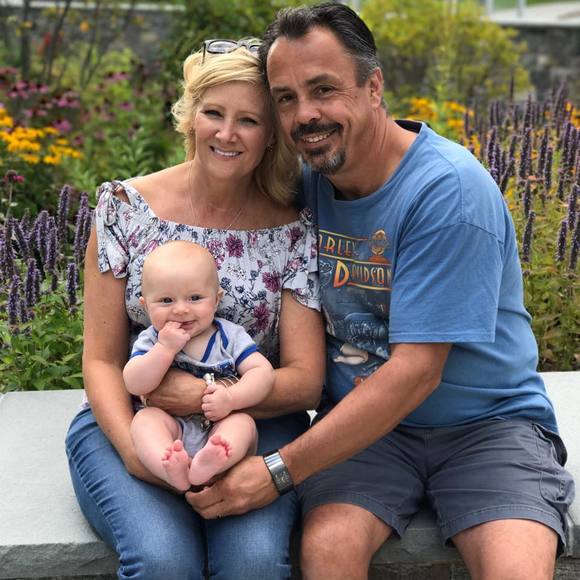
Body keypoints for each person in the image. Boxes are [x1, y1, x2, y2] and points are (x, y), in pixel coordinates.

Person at [187, 4, 575, 580]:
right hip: (365, 435)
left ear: (374, 87)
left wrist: (276, 471)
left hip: (488, 428)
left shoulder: (447, 192)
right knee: (327, 551)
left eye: (324, 89)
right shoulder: (306, 182)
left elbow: (416, 372)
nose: (305, 114)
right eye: (286, 98)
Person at [65, 41, 325, 580]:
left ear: (271, 133)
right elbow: (101, 360)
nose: (227, 134)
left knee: (253, 562)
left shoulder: (292, 229)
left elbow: (305, 382)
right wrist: (135, 453)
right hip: (136, 421)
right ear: (190, 116)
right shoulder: (125, 210)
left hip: (255, 424)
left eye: (248, 120)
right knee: (163, 560)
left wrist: (207, 396)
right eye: (213, 113)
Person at [124, 240, 275, 490]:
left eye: (194, 298)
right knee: (144, 421)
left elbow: (262, 372)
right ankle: (170, 467)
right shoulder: (152, 339)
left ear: (216, 300)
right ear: (146, 306)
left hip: (220, 423)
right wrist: (165, 349)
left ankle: (212, 460)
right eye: (166, 300)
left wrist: (232, 398)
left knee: (243, 424)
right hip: (171, 427)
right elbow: (134, 383)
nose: (181, 309)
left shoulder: (230, 336)